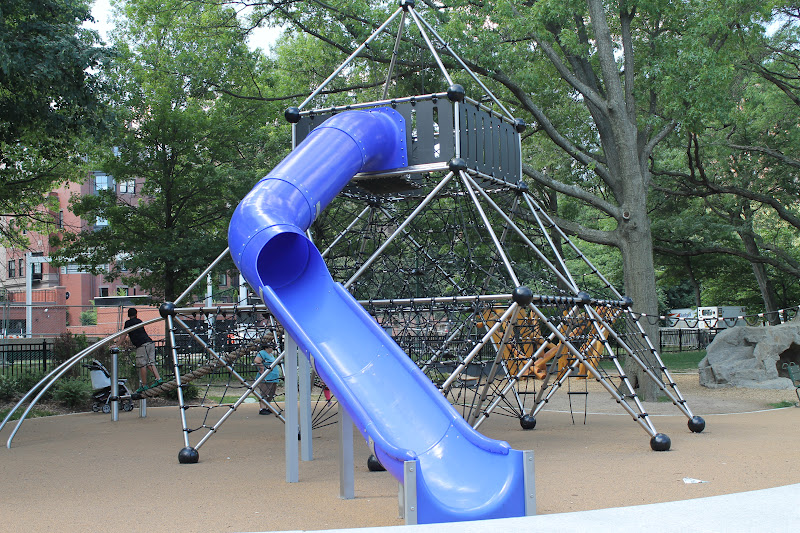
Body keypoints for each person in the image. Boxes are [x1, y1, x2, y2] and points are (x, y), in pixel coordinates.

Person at [124, 308, 162, 393]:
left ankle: (144, 385)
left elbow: (123, 335)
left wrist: (117, 344)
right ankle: (158, 378)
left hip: (142, 345)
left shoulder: (128, 323)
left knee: (142, 364)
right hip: (150, 343)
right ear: (136, 314)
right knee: (150, 363)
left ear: (128, 315)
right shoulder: (139, 321)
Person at [254, 338, 281, 415]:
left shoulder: (271, 355)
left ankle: (267, 407)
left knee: (271, 393)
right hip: (266, 377)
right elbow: (257, 360)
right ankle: (262, 408)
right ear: (266, 347)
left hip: (273, 377)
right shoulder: (262, 353)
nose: (272, 349)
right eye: (271, 347)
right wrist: (262, 368)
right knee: (265, 392)